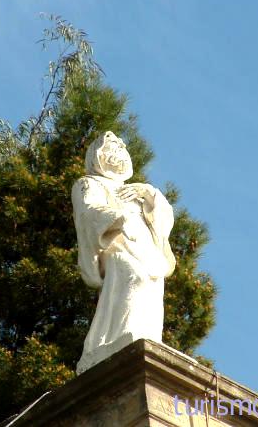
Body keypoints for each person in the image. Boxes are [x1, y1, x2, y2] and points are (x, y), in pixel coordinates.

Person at [72, 131, 176, 374]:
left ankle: (143, 336)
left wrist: (148, 194)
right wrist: (118, 217)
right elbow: (87, 213)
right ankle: (111, 338)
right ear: (99, 155)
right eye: (113, 149)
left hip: (145, 248)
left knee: (150, 287)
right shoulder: (89, 183)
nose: (120, 153)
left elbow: (163, 219)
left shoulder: (135, 190)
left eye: (122, 149)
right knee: (133, 278)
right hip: (118, 248)